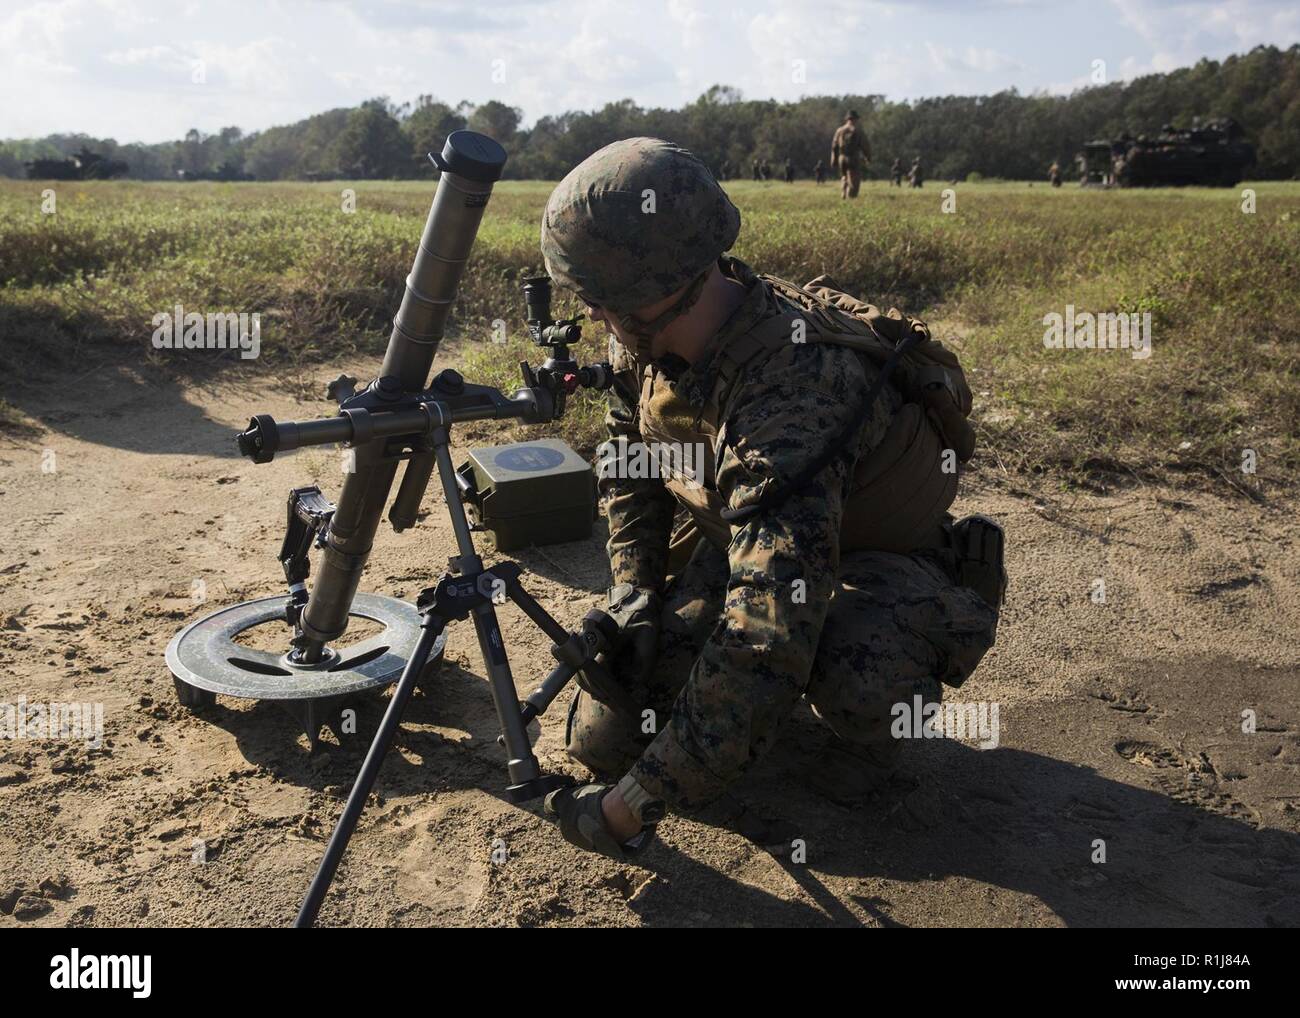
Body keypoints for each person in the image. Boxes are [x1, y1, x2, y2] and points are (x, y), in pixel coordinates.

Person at [537, 137, 1005, 860]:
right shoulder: (644, 325)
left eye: (596, 295)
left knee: (857, 672)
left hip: (868, 549)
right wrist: (634, 588)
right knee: (608, 728)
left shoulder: (796, 397)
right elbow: (628, 456)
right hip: (750, 533)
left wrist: (631, 808)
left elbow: (766, 637)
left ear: (650, 285)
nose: (589, 312)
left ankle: (947, 610)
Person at [830, 109, 871, 199]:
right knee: (854, 179)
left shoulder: (839, 130)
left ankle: (843, 193)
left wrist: (833, 159)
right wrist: (868, 157)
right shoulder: (858, 131)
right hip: (853, 157)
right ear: (855, 119)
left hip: (842, 157)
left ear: (847, 119)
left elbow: (834, 146)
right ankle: (851, 198)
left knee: (844, 176)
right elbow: (865, 146)